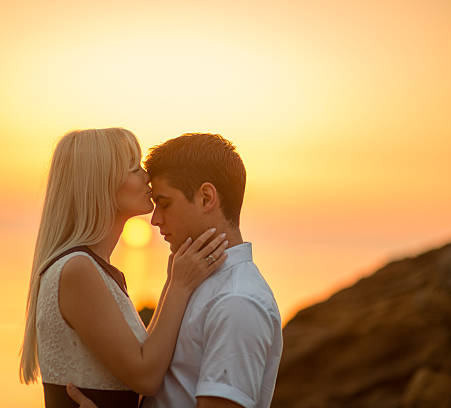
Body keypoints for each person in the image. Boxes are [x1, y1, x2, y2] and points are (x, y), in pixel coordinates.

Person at [68, 133, 283, 407]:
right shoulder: (195, 278)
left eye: (165, 203)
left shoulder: (237, 301)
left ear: (206, 198)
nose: (155, 220)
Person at [19, 128, 228, 408]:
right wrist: (180, 285)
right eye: (134, 168)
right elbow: (146, 378)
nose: (146, 177)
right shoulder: (77, 270)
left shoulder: (92, 269)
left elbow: (142, 358)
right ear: (100, 184)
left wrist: (171, 283)